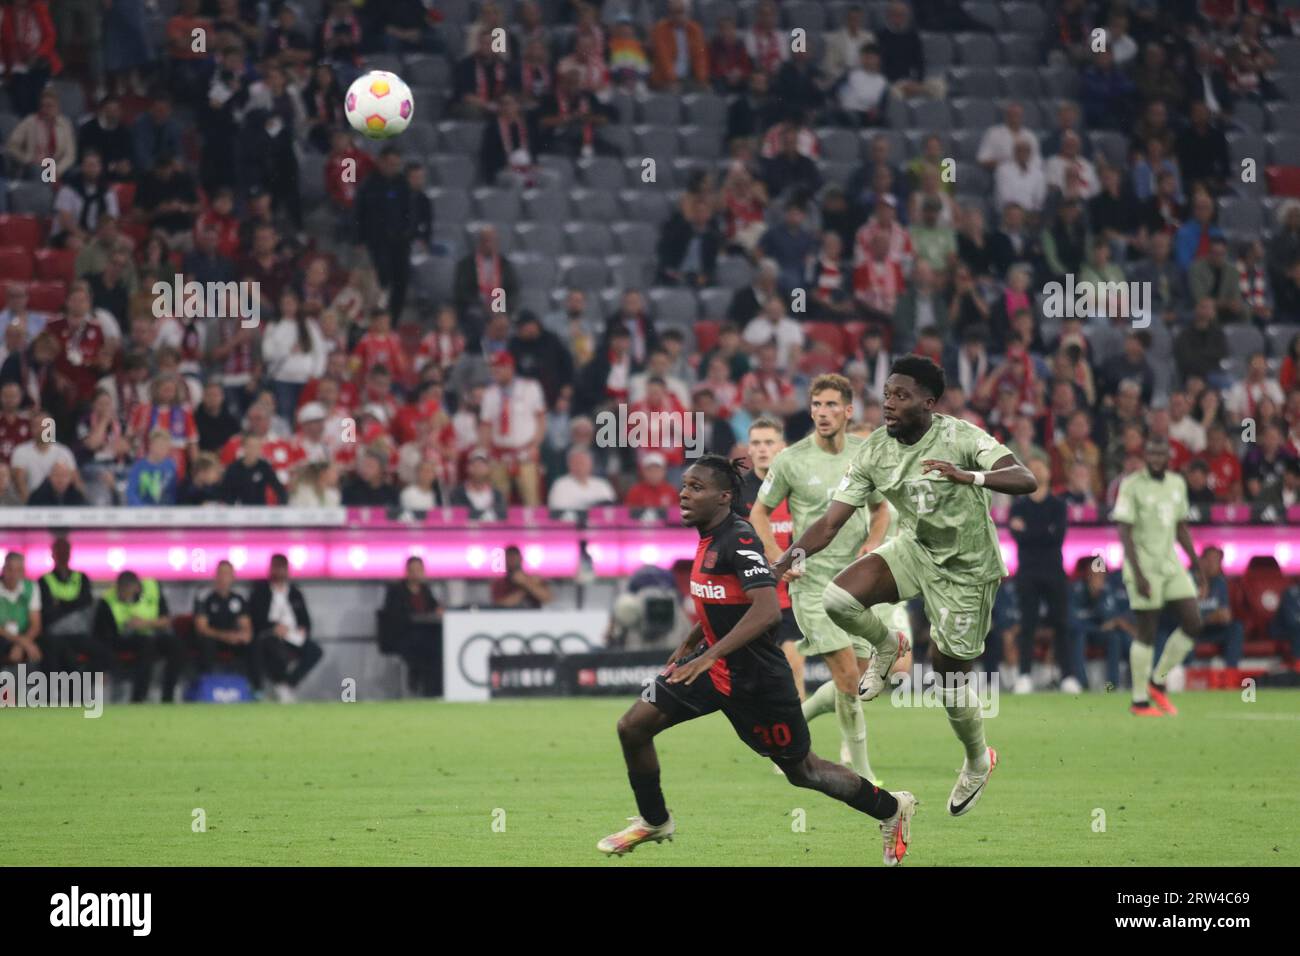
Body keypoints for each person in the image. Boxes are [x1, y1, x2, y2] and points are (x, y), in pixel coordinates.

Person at [598, 456, 918, 865]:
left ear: (724, 497)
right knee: (633, 727)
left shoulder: (739, 538)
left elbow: (766, 610)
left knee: (804, 772)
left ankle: (892, 808)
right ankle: (655, 820)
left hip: (756, 682)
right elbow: (723, 597)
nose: (683, 493)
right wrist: (693, 641)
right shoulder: (708, 537)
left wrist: (708, 652)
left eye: (696, 487)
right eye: (684, 485)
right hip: (711, 669)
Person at [773, 356, 1037, 819]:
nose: (888, 404)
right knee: (837, 597)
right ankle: (887, 643)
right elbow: (831, 522)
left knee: (947, 676)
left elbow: (1025, 478)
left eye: (901, 396)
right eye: (886, 395)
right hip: (915, 549)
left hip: (967, 571)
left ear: (929, 403)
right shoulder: (874, 450)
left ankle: (977, 760)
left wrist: (969, 476)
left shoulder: (960, 436)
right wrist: (785, 560)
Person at [751, 377, 904, 785]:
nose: (821, 411)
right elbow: (758, 514)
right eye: (816, 404)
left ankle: (789, 729)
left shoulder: (864, 453)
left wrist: (873, 542)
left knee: (858, 677)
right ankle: (864, 774)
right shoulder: (791, 460)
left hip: (856, 583)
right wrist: (779, 558)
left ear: (848, 411)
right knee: (849, 680)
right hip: (812, 584)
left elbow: (880, 510)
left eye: (831, 404)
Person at [1113, 436, 1205, 717]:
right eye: (1151, 452)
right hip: (1143, 565)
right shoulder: (1131, 485)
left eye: (1160, 453)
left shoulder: (1177, 484)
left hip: (1171, 563)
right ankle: (1139, 701)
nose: (1155, 457)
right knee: (1147, 631)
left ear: (1169, 456)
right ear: (1145, 455)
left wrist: (1197, 564)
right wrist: (1138, 573)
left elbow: (1181, 527)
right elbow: (1124, 532)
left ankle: (1157, 680)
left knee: (1193, 622)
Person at [736, 417, 803, 698]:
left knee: (793, 663)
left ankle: (800, 720)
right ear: (749, 450)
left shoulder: (798, 488)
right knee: (756, 674)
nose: (762, 449)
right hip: (754, 593)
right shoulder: (738, 492)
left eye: (768, 442)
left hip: (792, 592)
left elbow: (810, 532)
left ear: (782, 447)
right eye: (756, 443)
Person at [1008, 457, 1078, 694]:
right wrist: (1042, 531)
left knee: (1061, 623)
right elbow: (1021, 536)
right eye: (1032, 467)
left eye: (1041, 466)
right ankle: (1024, 675)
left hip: (1054, 572)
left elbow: (1057, 537)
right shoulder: (1017, 506)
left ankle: (1068, 675)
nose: (1037, 470)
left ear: (1049, 473)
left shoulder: (1059, 505)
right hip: (1027, 573)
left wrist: (1028, 530)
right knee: (1027, 625)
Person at [92, 571, 184, 703]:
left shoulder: (153, 587)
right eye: (120, 591)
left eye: (126, 592)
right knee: (146, 645)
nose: (122, 596)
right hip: (124, 640)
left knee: (175, 645)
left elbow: (166, 621)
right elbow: (101, 637)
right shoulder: (107, 601)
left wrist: (145, 623)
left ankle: (168, 697)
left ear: (136, 587)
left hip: (153, 633)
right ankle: (139, 697)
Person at [249, 553, 323, 703]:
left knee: (315, 651)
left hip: (292, 635)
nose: (279, 571)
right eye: (276, 567)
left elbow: (305, 619)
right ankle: (273, 687)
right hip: (269, 634)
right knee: (275, 650)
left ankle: (287, 684)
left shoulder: (295, 593)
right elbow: (255, 618)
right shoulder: (261, 590)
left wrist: (303, 629)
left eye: (282, 568)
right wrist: (274, 627)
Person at [379, 556, 443, 696]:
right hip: (403, 636)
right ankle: (417, 681)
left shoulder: (425, 590)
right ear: (407, 571)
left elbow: (434, 608)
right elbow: (394, 616)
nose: (416, 573)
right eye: (412, 570)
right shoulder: (396, 590)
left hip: (426, 636)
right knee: (422, 647)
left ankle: (433, 691)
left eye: (419, 570)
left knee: (437, 647)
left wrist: (438, 610)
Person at [38, 538, 97, 672]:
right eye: (60, 552)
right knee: (60, 653)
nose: (63, 555)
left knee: (103, 653)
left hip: (79, 634)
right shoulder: (44, 580)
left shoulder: (81, 577)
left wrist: (61, 604)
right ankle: (59, 691)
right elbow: (47, 612)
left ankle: (83, 686)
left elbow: (86, 602)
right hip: (54, 635)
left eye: (66, 552)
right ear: (53, 554)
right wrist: (74, 604)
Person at [192, 559, 255, 685]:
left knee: (253, 645)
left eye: (227, 574)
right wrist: (225, 636)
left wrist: (244, 636)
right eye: (221, 573)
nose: (223, 578)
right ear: (215, 576)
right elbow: (202, 628)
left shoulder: (238, 598)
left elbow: (246, 626)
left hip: (233, 640)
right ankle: (206, 685)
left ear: (233, 577)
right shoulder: (204, 597)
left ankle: (253, 688)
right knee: (206, 643)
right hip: (213, 638)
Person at [1196, 545, 1242, 669]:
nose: (1213, 565)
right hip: (1194, 630)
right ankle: (1185, 673)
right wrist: (1210, 616)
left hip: (1211, 628)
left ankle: (1231, 671)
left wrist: (1208, 617)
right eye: (1210, 561)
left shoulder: (1220, 582)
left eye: (1216, 561)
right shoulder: (1189, 580)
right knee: (1186, 631)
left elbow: (1225, 615)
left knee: (1235, 628)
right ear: (1201, 561)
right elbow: (1188, 617)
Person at [1, 551, 43, 669]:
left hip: (25, 634)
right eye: (10, 569)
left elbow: (36, 625)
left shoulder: (31, 587)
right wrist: (21, 641)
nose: (13, 574)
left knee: (47, 646)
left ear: (23, 572)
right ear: (3, 569)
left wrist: (21, 644)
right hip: (4, 636)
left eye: (18, 570)